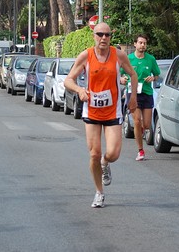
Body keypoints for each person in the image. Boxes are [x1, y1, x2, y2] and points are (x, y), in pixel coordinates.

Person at [64, 22, 138, 208]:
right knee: (94, 154)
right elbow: (68, 80)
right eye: (100, 34)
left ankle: (106, 163)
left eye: (107, 35)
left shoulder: (118, 55)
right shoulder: (86, 56)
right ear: (93, 35)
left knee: (113, 153)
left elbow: (133, 75)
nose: (104, 38)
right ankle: (99, 193)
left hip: (113, 111)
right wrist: (79, 90)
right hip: (92, 111)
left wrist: (133, 97)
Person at [121, 34, 160, 161]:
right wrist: (123, 79)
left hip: (147, 92)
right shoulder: (128, 59)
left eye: (144, 43)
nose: (143, 45)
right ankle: (140, 150)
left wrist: (152, 78)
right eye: (140, 43)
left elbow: (157, 75)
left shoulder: (151, 59)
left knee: (147, 125)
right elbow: (120, 76)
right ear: (135, 44)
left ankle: (140, 132)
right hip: (132, 93)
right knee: (137, 121)